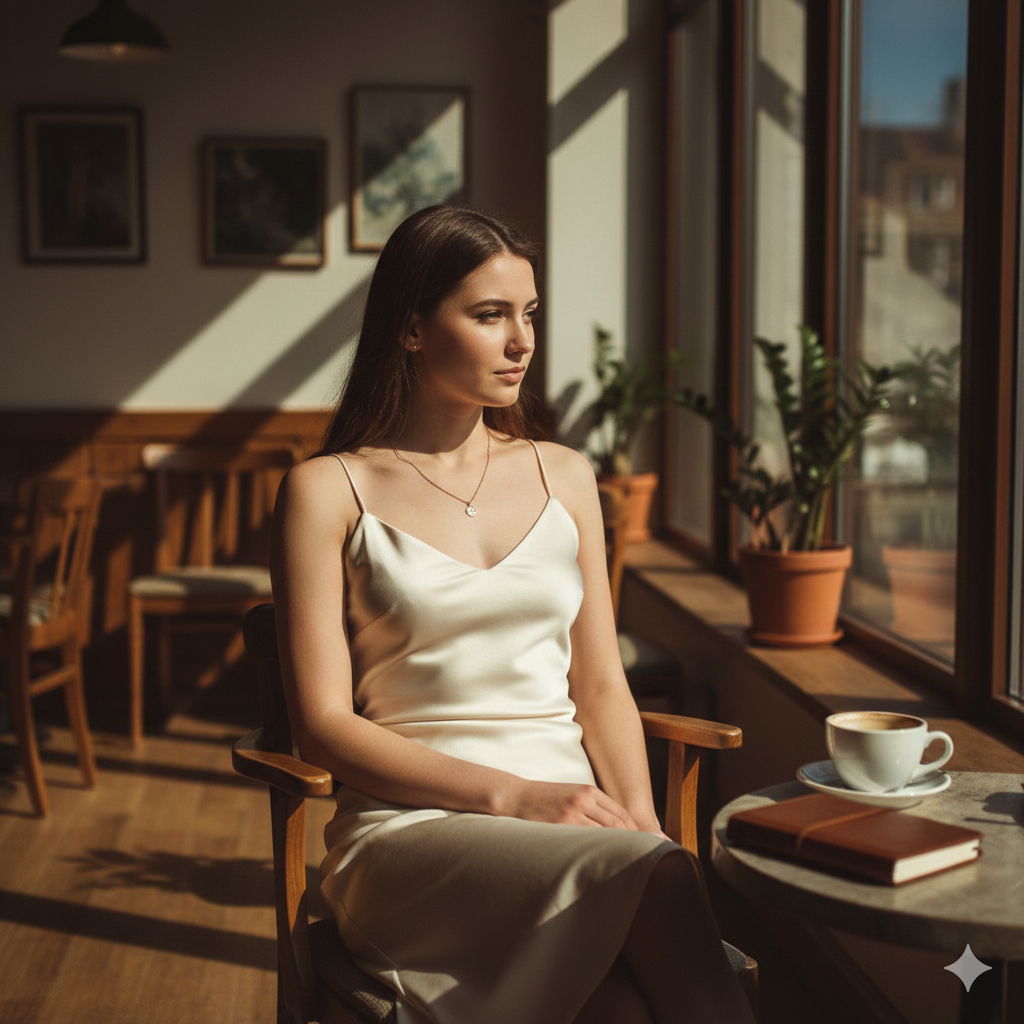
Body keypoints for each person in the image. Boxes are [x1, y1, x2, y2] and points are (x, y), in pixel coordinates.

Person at [270, 204, 754, 1024]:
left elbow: (601, 686)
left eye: (529, 314)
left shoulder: (565, 476)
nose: (523, 341)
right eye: (490, 315)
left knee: (625, 1002)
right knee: (665, 895)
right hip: (412, 833)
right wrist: (514, 796)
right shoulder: (326, 491)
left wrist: (639, 824)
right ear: (412, 328)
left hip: (574, 825)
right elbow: (321, 727)